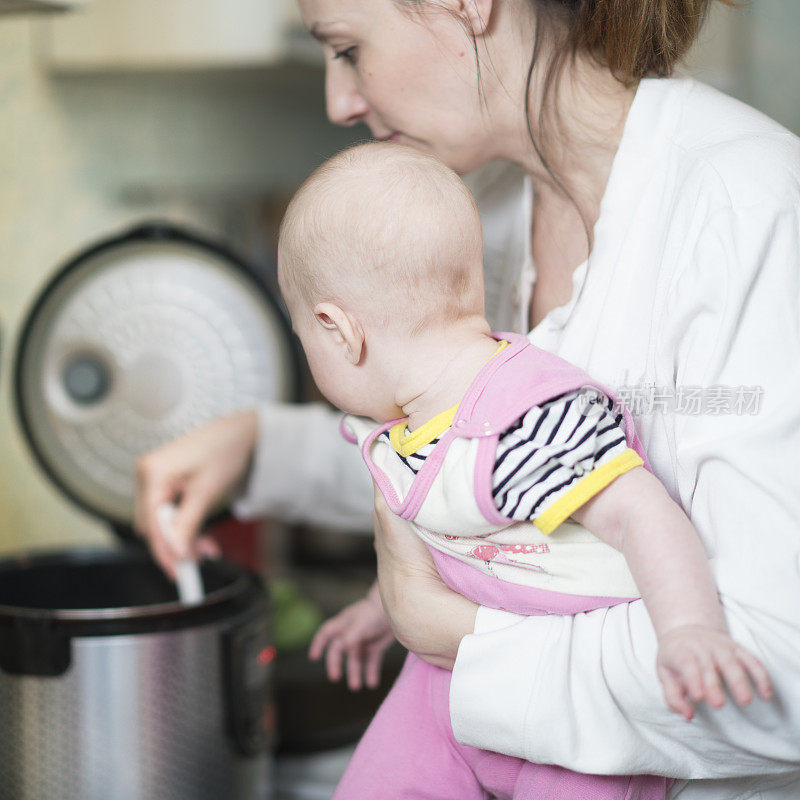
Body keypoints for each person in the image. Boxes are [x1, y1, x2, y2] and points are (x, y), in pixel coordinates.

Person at [135, 1, 800, 797]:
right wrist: (259, 448)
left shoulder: (751, 208)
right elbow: (487, 470)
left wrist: (455, 638)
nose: (338, 102)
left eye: (346, 49)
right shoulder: (484, 207)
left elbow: (779, 687)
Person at [275, 139, 770, 799]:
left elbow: (641, 511)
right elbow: (449, 539)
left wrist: (686, 630)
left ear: (339, 330)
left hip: (567, 706)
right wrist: (378, 609)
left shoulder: (525, 413)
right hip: (444, 684)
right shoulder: (407, 431)